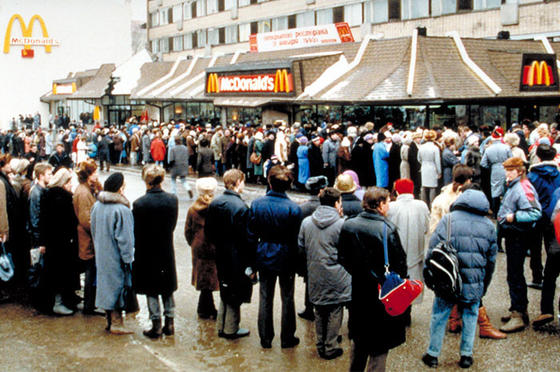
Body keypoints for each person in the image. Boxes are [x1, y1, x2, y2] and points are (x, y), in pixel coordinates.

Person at [422, 189, 498, 369]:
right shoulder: (489, 226)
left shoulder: (448, 221)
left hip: (448, 281)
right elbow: (491, 261)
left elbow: (433, 251)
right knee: (471, 315)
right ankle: (466, 355)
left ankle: (432, 354)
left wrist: (429, 277)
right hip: (474, 282)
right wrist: (483, 286)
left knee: (439, 315)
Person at [338, 187, 407, 372]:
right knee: (379, 346)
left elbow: (342, 257)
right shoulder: (388, 229)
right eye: (388, 202)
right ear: (381, 205)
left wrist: (358, 272)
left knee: (359, 340)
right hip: (381, 293)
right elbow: (400, 265)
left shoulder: (349, 225)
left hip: (359, 290)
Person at [248, 165, 302, 349]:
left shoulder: (257, 205)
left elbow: (251, 235)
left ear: (269, 182)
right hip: (286, 254)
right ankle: (287, 337)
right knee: (287, 297)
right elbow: (296, 239)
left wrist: (252, 263)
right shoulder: (294, 208)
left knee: (265, 296)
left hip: (265, 252)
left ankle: (266, 337)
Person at [298, 187, 350, 360]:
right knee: (335, 309)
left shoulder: (306, 222)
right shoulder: (342, 224)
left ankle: (320, 343)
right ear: (337, 203)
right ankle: (331, 345)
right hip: (337, 274)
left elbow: (301, 247)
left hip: (315, 273)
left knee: (319, 310)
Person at [206, 169, 254, 339]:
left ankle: (222, 325)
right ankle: (231, 329)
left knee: (225, 289)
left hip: (221, 252)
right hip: (237, 256)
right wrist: (252, 263)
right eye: (243, 181)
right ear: (237, 182)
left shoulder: (215, 202)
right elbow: (247, 239)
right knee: (236, 293)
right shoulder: (241, 207)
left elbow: (209, 232)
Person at [133, 165, 179, 338]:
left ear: (146, 180)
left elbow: (136, 230)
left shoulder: (139, 204)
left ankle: (156, 324)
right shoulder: (172, 200)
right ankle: (170, 322)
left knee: (151, 289)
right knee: (167, 288)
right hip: (166, 248)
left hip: (147, 250)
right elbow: (172, 226)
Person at [498, 157, 542, 333]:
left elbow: (535, 212)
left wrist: (513, 217)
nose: (507, 173)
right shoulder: (514, 185)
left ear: (519, 171)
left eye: (510, 170)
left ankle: (519, 314)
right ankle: (517, 309)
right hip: (513, 233)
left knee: (515, 274)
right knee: (513, 274)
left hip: (519, 234)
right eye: (506, 170)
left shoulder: (523, 187)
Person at [91, 172, 135, 334]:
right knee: (118, 286)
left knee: (105, 285)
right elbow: (125, 239)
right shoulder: (122, 210)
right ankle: (117, 323)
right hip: (116, 255)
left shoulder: (97, 206)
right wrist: (128, 258)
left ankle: (109, 320)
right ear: (120, 188)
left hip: (102, 252)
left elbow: (93, 230)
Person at [387, 179, 429, 313]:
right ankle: (407, 310)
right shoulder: (421, 206)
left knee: (397, 284)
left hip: (396, 252)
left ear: (397, 190)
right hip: (415, 251)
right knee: (412, 283)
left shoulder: (391, 207)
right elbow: (426, 228)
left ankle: (399, 309)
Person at [40, 168, 79, 315]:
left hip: (52, 241)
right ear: (65, 182)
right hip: (63, 242)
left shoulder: (47, 194)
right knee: (61, 273)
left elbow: (43, 220)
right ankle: (59, 303)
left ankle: (56, 302)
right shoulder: (65, 198)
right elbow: (70, 221)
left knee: (53, 272)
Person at [185, 177, 220, 319]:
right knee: (211, 277)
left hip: (199, 247)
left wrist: (194, 243)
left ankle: (205, 308)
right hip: (214, 246)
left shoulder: (193, 209)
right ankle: (207, 308)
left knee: (203, 277)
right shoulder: (217, 208)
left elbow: (188, 231)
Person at [73, 159, 103, 315]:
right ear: (88, 174)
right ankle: (90, 306)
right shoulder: (83, 193)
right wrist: (99, 232)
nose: (97, 175)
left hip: (88, 238)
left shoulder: (86, 189)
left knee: (91, 272)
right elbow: (86, 220)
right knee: (91, 273)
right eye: (95, 172)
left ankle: (90, 304)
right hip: (87, 239)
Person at [297, 175, 329, 322]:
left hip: (307, 252)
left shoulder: (301, 208)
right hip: (324, 250)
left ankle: (308, 308)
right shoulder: (327, 207)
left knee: (309, 280)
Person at [481, 127, 512, 215]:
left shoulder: (488, 149)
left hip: (494, 170)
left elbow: (483, 163)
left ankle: (495, 213)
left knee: (495, 191)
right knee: (507, 189)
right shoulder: (506, 148)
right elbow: (512, 159)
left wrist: (490, 167)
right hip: (506, 169)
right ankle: (506, 211)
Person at [418, 130, 441, 208]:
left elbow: (419, 158)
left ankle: (423, 204)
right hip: (432, 168)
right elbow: (437, 161)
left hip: (424, 167)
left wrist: (423, 163)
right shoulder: (435, 148)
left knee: (424, 187)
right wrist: (439, 172)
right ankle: (432, 205)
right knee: (432, 188)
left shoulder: (421, 147)